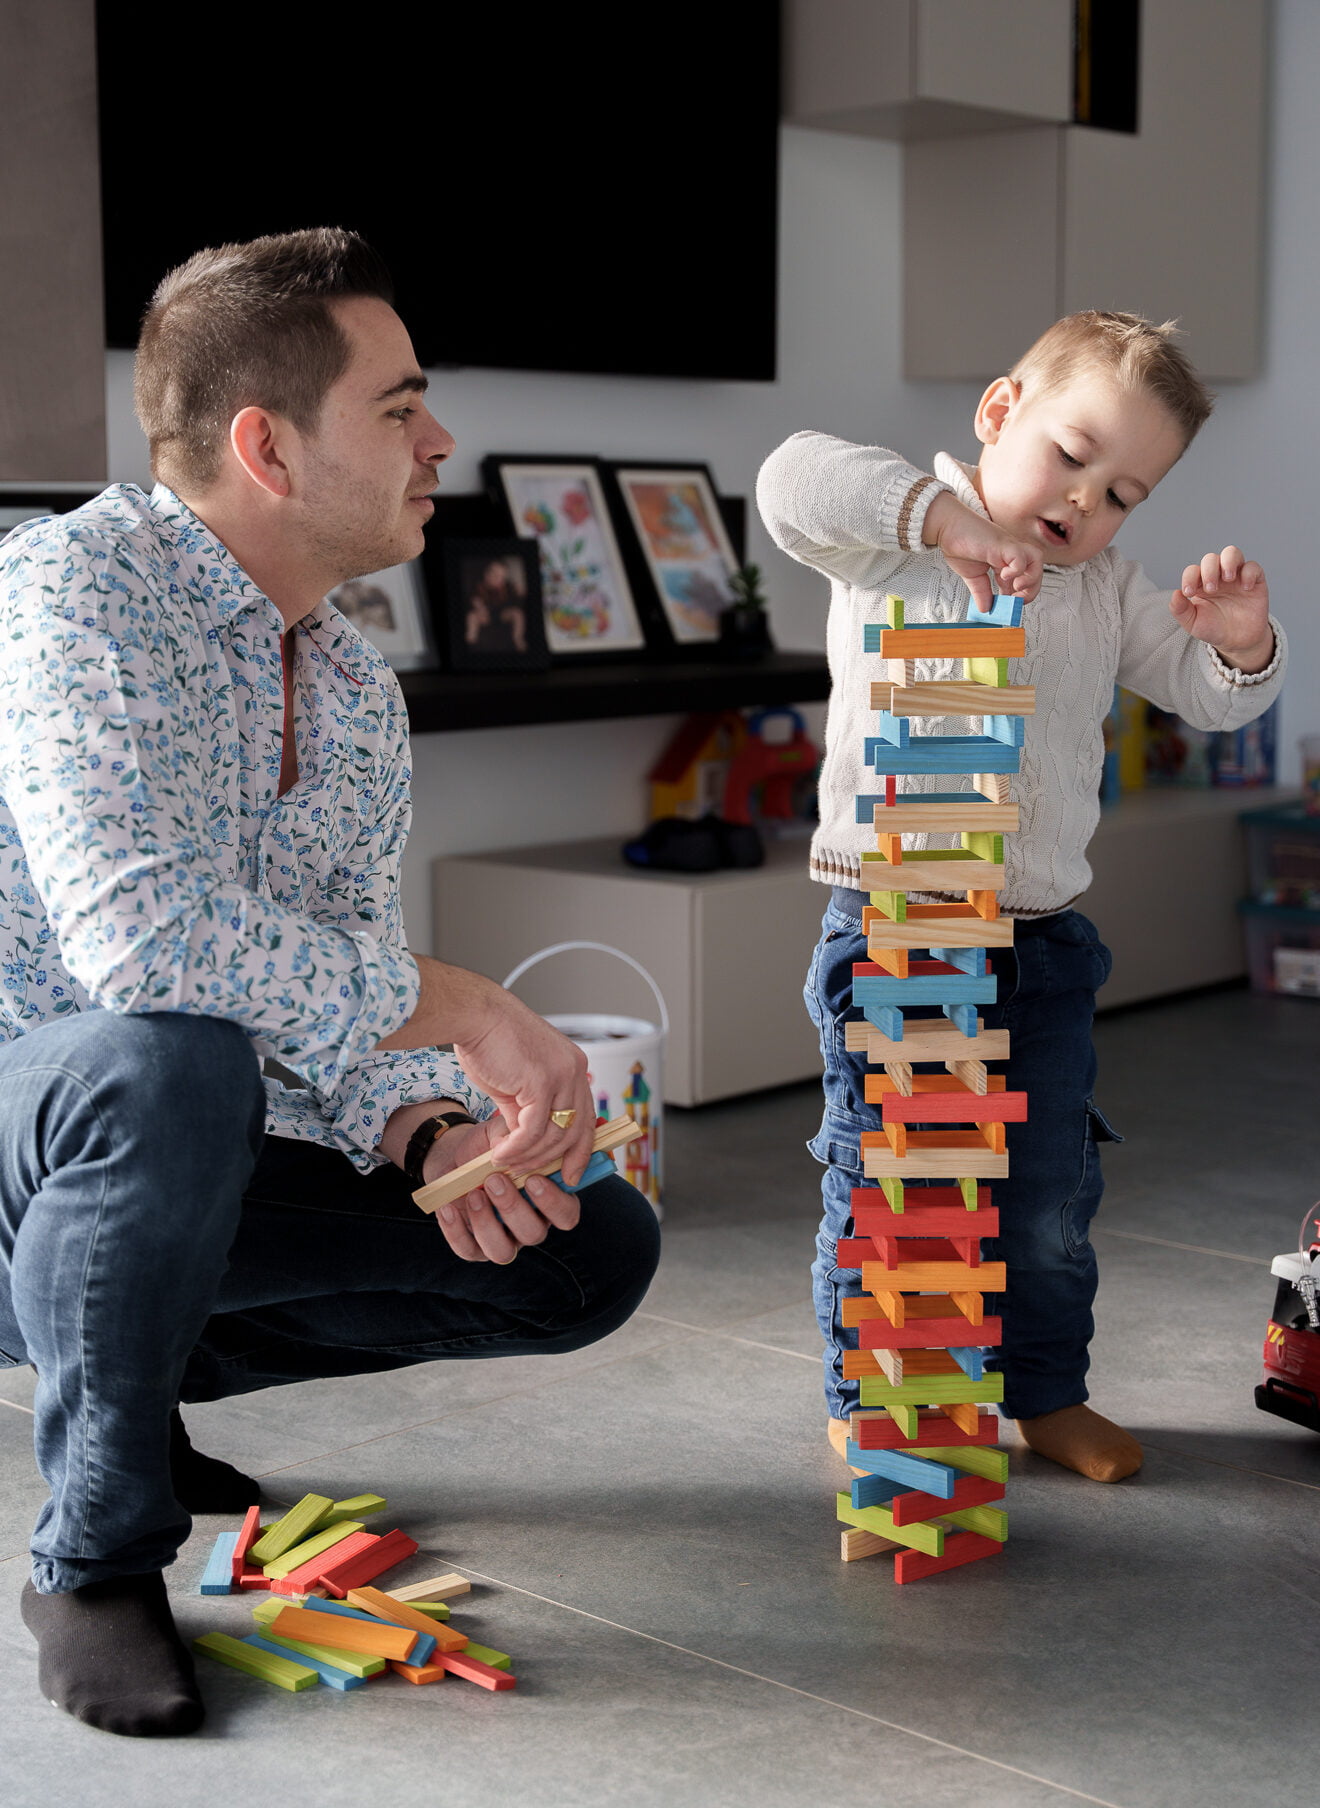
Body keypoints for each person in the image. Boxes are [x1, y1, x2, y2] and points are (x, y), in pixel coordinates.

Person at [0, 228, 661, 1737]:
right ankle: (94, 1553)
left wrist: (429, 1129)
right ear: (266, 448)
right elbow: (140, 942)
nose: (440, 443)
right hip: (24, 1141)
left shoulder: (352, 677)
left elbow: (335, 986)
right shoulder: (73, 593)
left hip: (145, 1170)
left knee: (583, 1248)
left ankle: (124, 1374)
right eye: (400, 407)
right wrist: (471, 1006)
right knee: (169, 1058)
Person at [756, 311, 1285, 1491]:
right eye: (1072, 453)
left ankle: (1045, 1389)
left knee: (1047, 1192)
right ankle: (876, 1393)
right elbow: (792, 479)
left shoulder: (1105, 589)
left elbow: (1207, 694)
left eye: (1124, 491)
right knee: (894, 1177)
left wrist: (1244, 646)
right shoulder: (892, 539)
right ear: (999, 414)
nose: (1086, 500)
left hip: (1042, 941)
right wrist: (940, 519)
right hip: (898, 922)